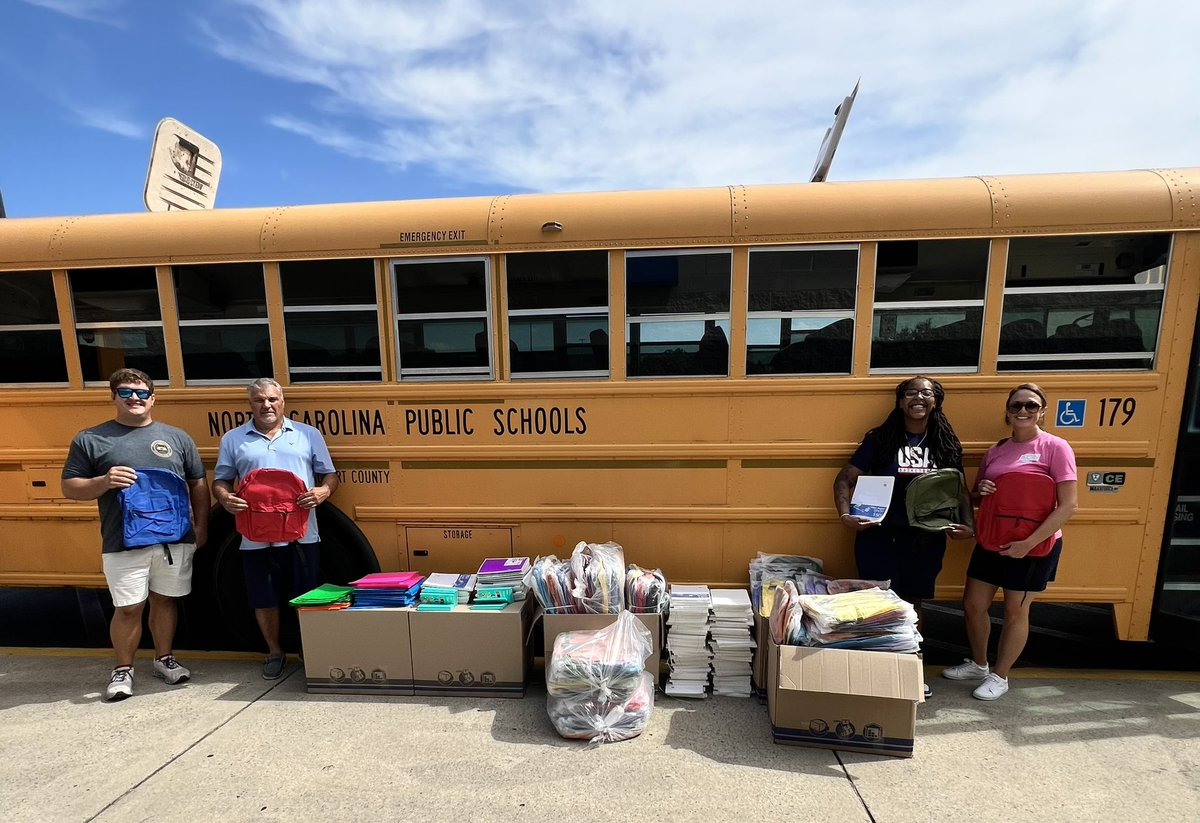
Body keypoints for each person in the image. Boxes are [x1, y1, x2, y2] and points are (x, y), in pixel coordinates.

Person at [61, 368, 210, 701]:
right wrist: (103, 481)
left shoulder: (177, 438)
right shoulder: (91, 439)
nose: (134, 398)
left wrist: (201, 527)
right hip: (122, 541)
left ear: (153, 398)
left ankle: (163, 658)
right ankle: (123, 669)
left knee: (165, 600)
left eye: (142, 393)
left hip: (173, 539)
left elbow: (198, 483)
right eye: (126, 392)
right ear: (113, 397)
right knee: (129, 607)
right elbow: (70, 487)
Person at [833, 376, 975, 697]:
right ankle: (876, 672)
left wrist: (968, 525)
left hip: (924, 537)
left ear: (936, 401)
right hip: (878, 534)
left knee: (913, 604)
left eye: (926, 393)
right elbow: (844, 478)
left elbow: (959, 488)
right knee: (877, 602)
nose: (918, 398)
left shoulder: (945, 443)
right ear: (900, 401)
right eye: (911, 392)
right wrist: (845, 515)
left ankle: (910, 670)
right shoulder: (881, 439)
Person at [943, 383, 1078, 700]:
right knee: (973, 605)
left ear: (1042, 411)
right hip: (993, 539)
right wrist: (982, 491)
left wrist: (1028, 543)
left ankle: (1000, 676)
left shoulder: (1056, 447)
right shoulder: (996, 450)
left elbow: (1068, 505)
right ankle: (979, 664)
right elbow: (976, 497)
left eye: (1031, 405)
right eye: (1016, 405)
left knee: (1016, 611)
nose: (1023, 411)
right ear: (1007, 411)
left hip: (1035, 545)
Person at [212, 378, 338, 680]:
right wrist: (225, 498)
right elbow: (221, 480)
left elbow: (330, 475)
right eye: (259, 400)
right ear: (250, 404)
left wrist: (323, 491)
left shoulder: (308, 434)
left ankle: (310, 652)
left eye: (272, 399)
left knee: (307, 596)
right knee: (263, 596)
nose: (266, 405)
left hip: (301, 533)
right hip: (255, 534)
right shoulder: (233, 439)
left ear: (283, 402)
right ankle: (274, 652)